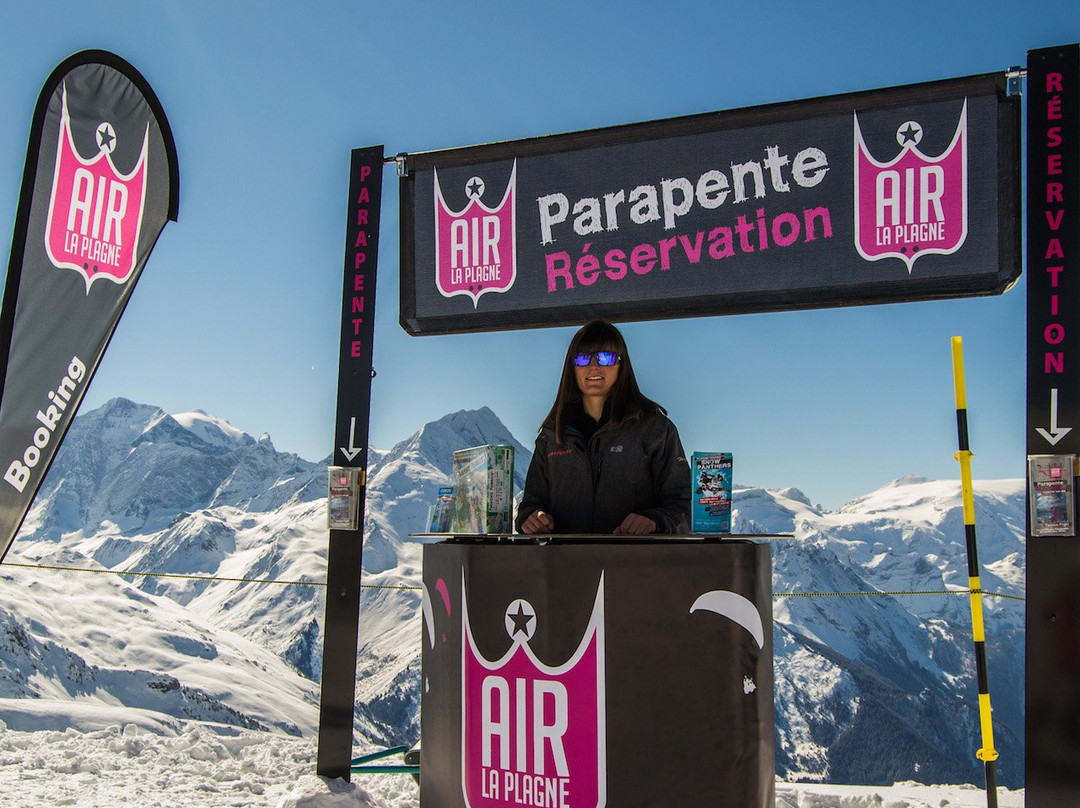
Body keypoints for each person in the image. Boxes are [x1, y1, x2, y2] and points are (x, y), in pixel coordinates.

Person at [516, 320, 690, 535]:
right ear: (572, 367)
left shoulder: (655, 429)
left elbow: (684, 505)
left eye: (605, 357)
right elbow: (531, 504)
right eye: (583, 358)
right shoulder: (552, 434)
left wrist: (655, 522)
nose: (594, 366)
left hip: (635, 564)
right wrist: (531, 518)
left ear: (621, 365)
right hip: (565, 565)